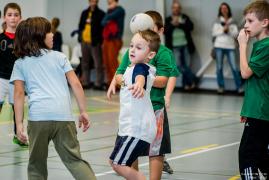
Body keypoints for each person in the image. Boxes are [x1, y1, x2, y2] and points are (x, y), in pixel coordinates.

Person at [11, 17, 96, 180]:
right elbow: (76, 84)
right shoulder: (59, 57)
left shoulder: (20, 63)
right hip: (64, 118)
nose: (52, 35)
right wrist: (83, 111)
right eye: (49, 32)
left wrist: (20, 124)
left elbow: (19, 94)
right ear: (39, 35)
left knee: (36, 165)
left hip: (38, 120)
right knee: (75, 161)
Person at [107, 10, 179, 179]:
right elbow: (120, 73)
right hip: (132, 113)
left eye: (149, 28)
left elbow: (161, 79)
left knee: (156, 150)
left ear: (159, 31)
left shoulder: (162, 53)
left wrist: (144, 80)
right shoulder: (132, 52)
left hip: (154, 108)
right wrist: (121, 82)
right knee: (131, 150)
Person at [109, 29, 160, 180]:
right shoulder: (131, 67)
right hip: (128, 127)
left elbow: (140, 76)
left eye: (139, 47)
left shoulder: (141, 67)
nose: (132, 49)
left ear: (150, 55)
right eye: (131, 45)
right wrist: (116, 82)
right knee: (113, 162)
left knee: (119, 164)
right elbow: (122, 76)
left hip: (137, 129)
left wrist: (139, 83)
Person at [237, 1, 269, 179]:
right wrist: (247, 110)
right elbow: (257, 82)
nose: (245, 25)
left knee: (247, 157)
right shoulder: (260, 46)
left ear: (264, 22)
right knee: (262, 158)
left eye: (250, 21)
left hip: (261, 111)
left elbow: (246, 73)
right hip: (256, 111)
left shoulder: (266, 46)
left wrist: (242, 45)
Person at [0, 3, 28, 147]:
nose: (13, 18)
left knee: (17, 108)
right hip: (0, 78)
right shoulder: (1, 38)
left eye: (16, 15)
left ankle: (19, 135)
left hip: (16, 81)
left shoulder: (24, 40)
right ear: (4, 17)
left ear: (20, 18)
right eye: (9, 15)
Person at [164, 0, 197, 91]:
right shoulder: (168, 19)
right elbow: (165, 31)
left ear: (180, 9)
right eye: (174, 8)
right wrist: (172, 25)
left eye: (178, 8)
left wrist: (180, 24)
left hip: (185, 45)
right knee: (178, 65)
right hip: (174, 47)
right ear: (172, 9)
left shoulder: (185, 17)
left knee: (186, 65)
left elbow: (191, 27)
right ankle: (193, 80)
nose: (176, 9)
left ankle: (186, 85)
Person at [212, 2, 242, 94]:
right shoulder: (217, 20)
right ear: (220, 10)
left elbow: (236, 34)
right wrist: (223, 30)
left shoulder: (233, 21)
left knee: (234, 67)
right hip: (219, 46)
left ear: (228, 9)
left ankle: (239, 87)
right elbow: (214, 33)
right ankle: (221, 87)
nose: (224, 10)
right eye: (222, 8)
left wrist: (229, 30)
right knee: (219, 67)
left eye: (226, 8)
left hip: (230, 46)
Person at [78, 0, 106, 90]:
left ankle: (98, 83)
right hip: (84, 41)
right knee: (85, 63)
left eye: (94, 1)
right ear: (89, 2)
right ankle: (86, 82)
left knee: (98, 63)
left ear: (97, 2)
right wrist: (80, 37)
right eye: (91, 1)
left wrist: (100, 41)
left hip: (95, 42)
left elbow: (102, 29)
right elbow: (80, 26)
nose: (92, 3)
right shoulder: (84, 12)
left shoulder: (101, 13)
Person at [102, 0, 125, 86]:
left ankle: (117, 84)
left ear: (116, 1)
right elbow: (102, 22)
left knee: (112, 62)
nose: (109, 3)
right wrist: (108, 19)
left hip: (115, 40)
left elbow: (107, 18)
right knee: (106, 62)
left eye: (111, 2)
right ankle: (110, 82)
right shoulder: (109, 11)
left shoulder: (120, 10)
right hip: (107, 39)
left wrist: (108, 18)